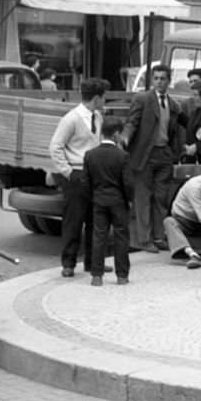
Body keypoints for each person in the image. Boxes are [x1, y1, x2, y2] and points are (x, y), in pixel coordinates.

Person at [120, 64, 188, 252]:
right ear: (152, 80)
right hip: (145, 155)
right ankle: (143, 239)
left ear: (169, 80)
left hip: (164, 154)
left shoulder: (173, 104)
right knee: (143, 197)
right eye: (156, 78)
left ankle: (159, 236)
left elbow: (183, 124)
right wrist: (125, 139)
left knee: (161, 197)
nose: (159, 82)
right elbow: (131, 122)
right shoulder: (142, 99)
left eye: (163, 78)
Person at [49, 77, 110, 278]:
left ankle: (93, 262)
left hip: (94, 174)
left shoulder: (98, 117)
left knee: (95, 220)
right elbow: (55, 146)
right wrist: (68, 172)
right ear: (96, 98)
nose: (104, 101)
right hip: (76, 174)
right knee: (73, 221)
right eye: (103, 97)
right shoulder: (71, 119)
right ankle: (68, 263)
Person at [83, 117, 132, 286]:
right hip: (118, 201)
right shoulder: (123, 156)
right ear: (116, 134)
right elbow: (127, 183)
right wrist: (129, 200)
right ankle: (122, 275)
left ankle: (97, 275)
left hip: (99, 200)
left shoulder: (90, 155)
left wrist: (93, 197)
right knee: (121, 237)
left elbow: (86, 181)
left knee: (99, 237)